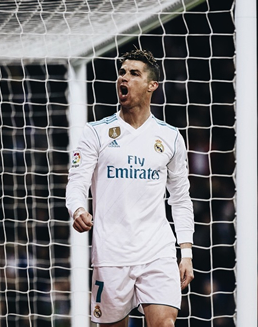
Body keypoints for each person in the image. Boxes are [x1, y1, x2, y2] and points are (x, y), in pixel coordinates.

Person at [65, 48, 194, 327]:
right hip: (111, 252)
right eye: (122, 72)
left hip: (157, 249)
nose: (124, 78)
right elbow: (76, 182)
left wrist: (186, 253)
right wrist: (77, 208)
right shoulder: (95, 132)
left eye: (134, 74)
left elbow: (181, 198)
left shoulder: (170, 137)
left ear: (152, 86)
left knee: (165, 324)